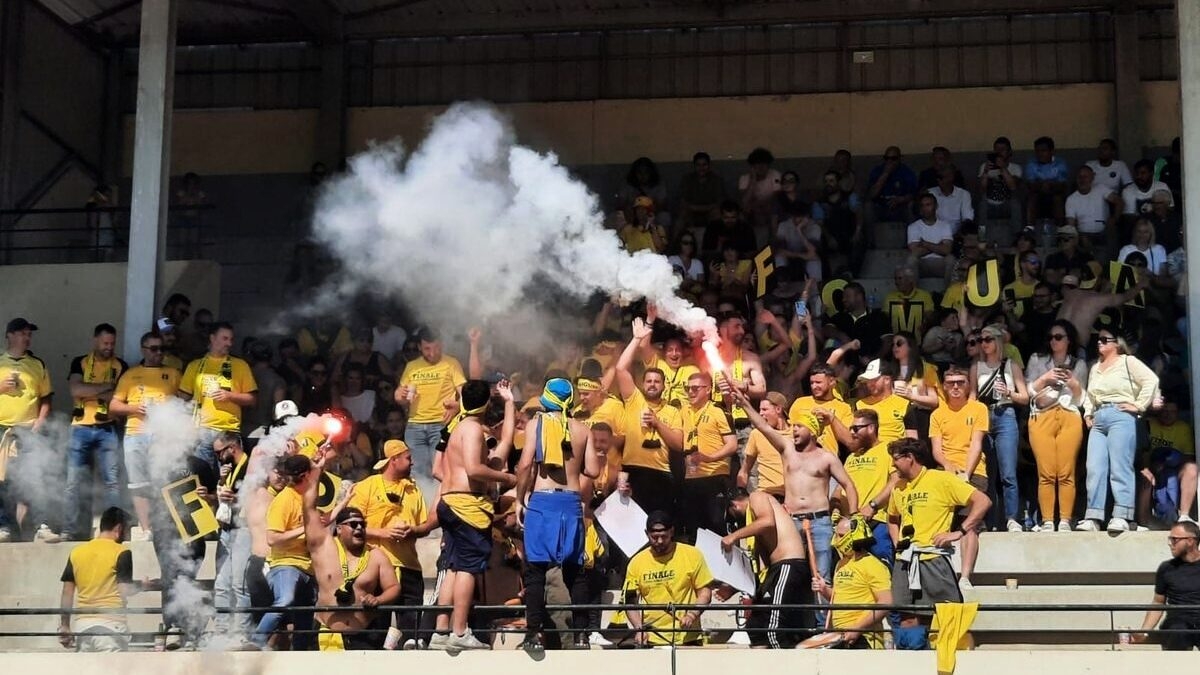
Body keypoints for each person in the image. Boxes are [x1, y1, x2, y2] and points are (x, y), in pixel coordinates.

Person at [731, 387, 857, 617]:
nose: (794, 430)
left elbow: (849, 485)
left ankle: (820, 626)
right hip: (791, 523)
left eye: (799, 426)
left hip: (819, 523)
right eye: (794, 426)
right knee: (792, 573)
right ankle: (795, 623)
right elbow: (763, 426)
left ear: (812, 430)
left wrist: (854, 518)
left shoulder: (827, 457)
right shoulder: (787, 449)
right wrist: (745, 405)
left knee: (820, 577)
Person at [429, 380, 517, 651]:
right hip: (467, 505)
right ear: (487, 405)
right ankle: (459, 631)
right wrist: (506, 477)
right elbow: (474, 469)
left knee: (454, 567)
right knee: (467, 568)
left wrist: (510, 402)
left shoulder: (458, 426)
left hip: (451, 503)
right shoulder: (472, 429)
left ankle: (440, 632)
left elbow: (505, 442)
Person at [514, 378, 600, 651]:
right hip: (572, 503)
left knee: (536, 571)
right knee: (575, 573)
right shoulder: (583, 429)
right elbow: (594, 471)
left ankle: (533, 634)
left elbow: (525, 463)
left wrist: (519, 499)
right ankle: (581, 634)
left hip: (542, 501)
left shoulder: (536, 424)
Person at [887, 438, 990, 646]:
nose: (892, 464)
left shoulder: (941, 479)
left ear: (910, 458)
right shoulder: (898, 487)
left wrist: (959, 531)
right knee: (906, 617)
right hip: (905, 561)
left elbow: (982, 501)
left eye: (896, 459)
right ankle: (912, 662)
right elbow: (892, 517)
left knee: (945, 615)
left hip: (932, 558)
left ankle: (945, 660)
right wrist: (898, 541)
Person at [295, 453, 400, 652]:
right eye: (353, 524)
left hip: (364, 638)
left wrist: (378, 599)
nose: (359, 528)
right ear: (340, 528)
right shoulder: (324, 546)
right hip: (325, 635)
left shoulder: (376, 555)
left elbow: (393, 587)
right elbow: (308, 507)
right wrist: (317, 472)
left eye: (362, 524)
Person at [348, 439, 432, 649]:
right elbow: (350, 528)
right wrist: (383, 533)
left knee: (411, 635)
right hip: (374, 567)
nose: (412, 463)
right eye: (408, 458)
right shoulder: (366, 486)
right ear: (393, 460)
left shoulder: (414, 490)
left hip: (409, 566)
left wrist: (413, 531)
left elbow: (425, 526)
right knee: (373, 632)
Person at [1079, 330, 1160, 532]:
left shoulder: (1127, 361)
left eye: (1105, 340)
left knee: (1120, 466)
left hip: (1120, 414)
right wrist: (1088, 413)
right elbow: (1090, 393)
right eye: (1098, 340)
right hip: (1100, 416)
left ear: (1117, 344)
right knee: (1095, 467)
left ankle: (1122, 515)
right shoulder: (1095, 366)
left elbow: (1151, 380)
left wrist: (1139, 405)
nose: (1100, 342)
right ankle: (1093, 516)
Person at [109, 331, 181, 538]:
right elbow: (113, 405)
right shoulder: (130, 375)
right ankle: (147, 528)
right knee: (139, 483)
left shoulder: (174, 373)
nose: (159, 353)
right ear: (144, 349)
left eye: (162, 349)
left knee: (164, 481)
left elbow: (185, 402)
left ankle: (164, 526)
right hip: (136, 434)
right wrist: (133, 409)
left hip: (163, 435)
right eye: (154, 349)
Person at [723, 488, 814, 648]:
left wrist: (734, 536)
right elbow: (759, 566)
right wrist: (733, 587)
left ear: (734, 506)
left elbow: (767, 522)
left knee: (774, 628)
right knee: (756, 627)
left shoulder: (757, 497)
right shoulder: (755, 526)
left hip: (788, 563)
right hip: (775, 570)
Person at [62, 323, 128, 542]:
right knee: (73, 482)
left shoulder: (121, 365)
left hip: (107, 428)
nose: (109, 347)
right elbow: (75, 389)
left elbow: (119, 398)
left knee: (112, 483)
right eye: (105, 343)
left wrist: (88, 391)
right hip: (79, 427)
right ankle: (70, 530)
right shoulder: (79, 362)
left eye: (112, 343)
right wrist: (104, 388)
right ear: (95, 341)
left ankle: (114, 531)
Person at [615, 319, 684, 516]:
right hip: (632, 471)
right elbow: (620, 369)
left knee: (659, 527)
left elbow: (679, 444)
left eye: (657, 381)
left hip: (660, 473)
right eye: (649, 381)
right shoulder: (634, 399)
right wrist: (636, 339)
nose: (652, 384)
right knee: (629, 529)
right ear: (643, 384)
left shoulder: (672, 410)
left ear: (664, 386)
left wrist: (657, 422)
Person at [1025, 321, 1088, 533]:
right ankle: (1047, 520)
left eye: (1059, 337)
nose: (1054, 341)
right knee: (1046, 472)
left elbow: (1081, 399)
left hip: (1069, 414)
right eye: (1051, 337)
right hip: (1042, 416)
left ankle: (1064, 520)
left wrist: (1072, 383)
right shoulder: (1037, 359)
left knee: (1066, 471)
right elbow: (1028, 392)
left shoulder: (1079, 364)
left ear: (1069, 340)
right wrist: (1045, 378)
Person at [928, 366, 989, 587]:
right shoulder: (937, 414)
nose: (955, 387)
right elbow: (937, 450)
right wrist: (949, 468)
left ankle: (964, 577)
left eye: (960, 382)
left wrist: (966, 473)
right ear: (944, 386)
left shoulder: (978, 408)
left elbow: (976, 444)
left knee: (969, 523)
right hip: (945, 473)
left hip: (974, 472)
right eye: (951, 382)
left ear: (968, 386)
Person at [58, 507, 147, 652]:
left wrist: (65, 625)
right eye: (128, 531)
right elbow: (125, 589)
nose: (128, 537)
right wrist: (143, 585)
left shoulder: (77, 552)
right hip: (111, 627)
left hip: (83, 627)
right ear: (119, 528)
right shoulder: (122, 552)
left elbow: (67, 593)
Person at [623, 510, 715, 646]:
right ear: (646, 534)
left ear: (672, 532)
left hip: (688, 638)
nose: (659, 541)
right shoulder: (636, 562)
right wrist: (639, 628)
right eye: (654, 537)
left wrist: (692, 615)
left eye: (664, 536)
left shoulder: (692, 555)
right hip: (653, 638)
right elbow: (630, 602)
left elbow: (705, 591)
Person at [969, 325, 1029, 532]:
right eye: (981, 340)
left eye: (988, 339)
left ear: (997, 341)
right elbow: (972, 396)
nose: (984, 344)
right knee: (988, 473)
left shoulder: (1010, 365)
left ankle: (1012, 517)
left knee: (1008, 472)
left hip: (1005, 414)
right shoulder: (976, 367)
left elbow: (1025, 397)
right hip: (983, 416)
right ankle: (991, 520)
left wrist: (1009, 393)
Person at [179, 321, 258, 477]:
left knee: (231, 478)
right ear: (212, 338)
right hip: (201, 432)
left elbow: (253, 399)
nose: (229, 343)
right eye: (225, 338)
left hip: (229, 432)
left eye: (231, 339)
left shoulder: (240, 365)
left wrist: (230, 396)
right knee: (203, 479)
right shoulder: (195, 366)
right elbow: (182, 398)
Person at [253, 455, 316, 649]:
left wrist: (343, 503)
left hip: (307, 567)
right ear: (305, 475)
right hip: (285, 564)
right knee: (285, 601)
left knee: (306, 614)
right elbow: (272, 538)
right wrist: (304, 528)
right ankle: (255, 642)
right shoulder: (284, 500)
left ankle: (300, 654)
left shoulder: (305, 497)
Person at [814, 516, 893, 649]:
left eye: (841, 536)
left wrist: (857, 629)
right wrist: (824, 590)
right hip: (839, 635)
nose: (836, 540)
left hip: (864, 638)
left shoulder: (873, 564)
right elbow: (839, 597)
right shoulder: (841, 564)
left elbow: (886, 602)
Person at [396, 329, 467, 477]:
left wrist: (456, 408)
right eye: (427, 349)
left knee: (439, 469)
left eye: (436, 348)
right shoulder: (412, 366)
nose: (432, 353)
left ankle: (438, 499)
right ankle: (423, 499)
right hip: (415, 425)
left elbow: (465, 395)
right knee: (417, 471)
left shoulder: (451, 363)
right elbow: (399, 396)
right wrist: (400, 395)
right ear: (420, 347)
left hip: (441, 424)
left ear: (441, 345)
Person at [679, 371, 737, 541]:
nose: (691, 392)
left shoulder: (717, 410)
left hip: (714, 477)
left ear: (708, 390)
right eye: (688, 388)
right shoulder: (684, 411)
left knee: (715, 528)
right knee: (693, 529)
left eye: (696, 388)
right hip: (690, 478)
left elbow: (732, 444)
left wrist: (709, 458)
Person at [842, 410, 898, 566]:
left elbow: (895, 481)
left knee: (882, 567)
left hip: (877, 521)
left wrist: (873, 505)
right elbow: (842, 487)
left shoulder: (889, 449)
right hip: (852, 525)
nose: (852, 433)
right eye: (851, 429)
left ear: (871, 428)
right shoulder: (851, 457)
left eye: (856, 428)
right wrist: (836, 507)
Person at [1134, 521, 1200, 650]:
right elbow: (1158, 603)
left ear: (1190, 541)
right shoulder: (1167, 568)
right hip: (1177, 623)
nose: (1170, 543)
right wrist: (1144, 631)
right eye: (1170, 539)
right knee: (1178, 630)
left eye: (1174, 539)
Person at [791, 364, 854, 457]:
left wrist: (832, 418)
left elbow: (849, 441)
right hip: (800, 459)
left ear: (832, 382)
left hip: (827, 460)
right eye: (812, 383)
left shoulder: (843, 407)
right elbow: (789, 433)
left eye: (818, 382)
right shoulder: (800, 403)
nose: (814, 386)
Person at [738, 392, 789, 498]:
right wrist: (740, 493)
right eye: (760, 410)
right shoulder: (757, 434)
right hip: (767, 495)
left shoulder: (796, 433)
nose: (761, 414)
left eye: (765, 410)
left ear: (778, 409)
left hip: (792, 495)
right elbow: (745, 469)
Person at [907, 193, 955, 280]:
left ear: (936, 206)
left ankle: (948, 292)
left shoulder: (945, 226)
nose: (925, 208)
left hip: (940, 263)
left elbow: (947, 250)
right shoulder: (913, 227)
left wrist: (925, 244)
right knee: (911, 260)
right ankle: (915, 293)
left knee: (951, 259)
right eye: (922, 206)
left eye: (928, 205)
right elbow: (915, 252)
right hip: (922, 264)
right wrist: (938, 246)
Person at [867, 146, 918, 223]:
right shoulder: (877, 171)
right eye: (887, 158)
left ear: (900, 158)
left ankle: (912, 234)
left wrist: (901, 199)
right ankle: (869, 235)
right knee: (868, 206)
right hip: (880, 206)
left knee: (911, 205)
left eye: (893, 158)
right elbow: (872, 194)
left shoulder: (906, 172)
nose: (889, 161)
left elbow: (913, 194)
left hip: (900, 206)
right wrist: (885, 174)